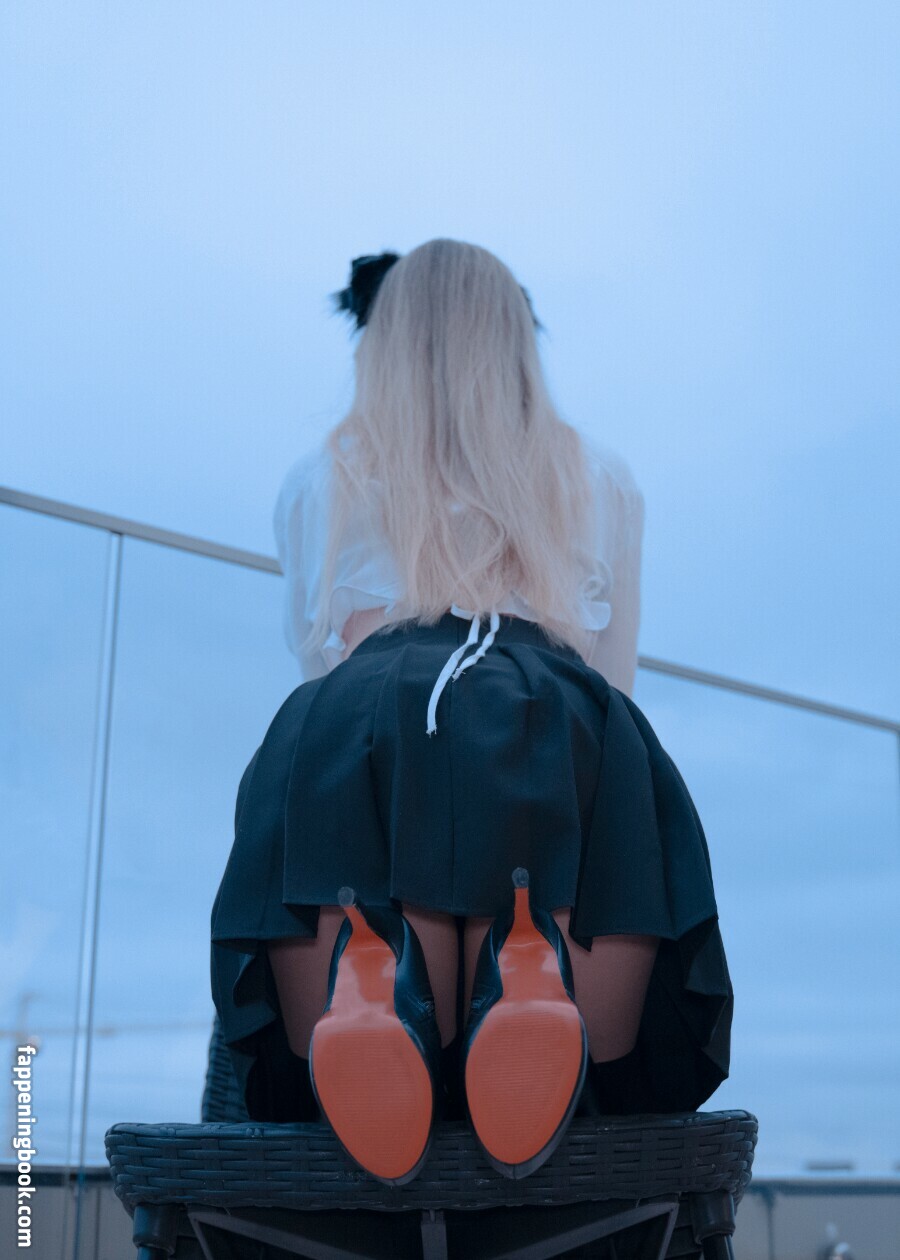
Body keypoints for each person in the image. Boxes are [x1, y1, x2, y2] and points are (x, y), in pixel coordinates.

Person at [210, 239, 733, 1179]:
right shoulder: (601, 477)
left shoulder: (320, 479)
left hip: (360, 720)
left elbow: (316, 655)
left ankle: (375, 974)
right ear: (517, 344)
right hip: (554, 722)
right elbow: (613, 678)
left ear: (382, 346)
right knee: (603, 1080)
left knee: (318, 1040)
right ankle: (527, 965)